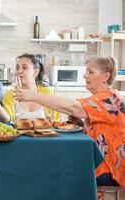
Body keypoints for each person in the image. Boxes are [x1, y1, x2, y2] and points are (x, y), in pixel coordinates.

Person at [14, 56, 125, 187]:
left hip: (109, 169)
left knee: (51, 171)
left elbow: (73, 107)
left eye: (90, 72)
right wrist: (82, 125)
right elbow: (102, 132)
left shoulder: (110, 100)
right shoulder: (102, 97)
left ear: (105, 76)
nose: (84, 75)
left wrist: (34, 96)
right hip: (99, 162)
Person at [1, 53, 59, 122]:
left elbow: (56, 122)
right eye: (17, 68)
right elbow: (8, 124)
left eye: (24, 67)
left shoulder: (47, 92)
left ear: (35, 72)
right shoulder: (10, 95)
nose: (19, 71)